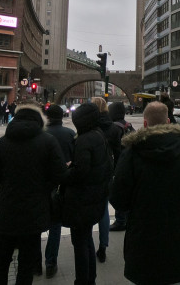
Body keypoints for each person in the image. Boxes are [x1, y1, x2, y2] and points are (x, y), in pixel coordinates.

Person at [111, 101, 180, 285]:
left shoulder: (131, 153)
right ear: (169, 121)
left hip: (142, 240)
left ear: (145, 123)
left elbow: (118, 199)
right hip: (179, 238)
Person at [0, 106, 67, 285]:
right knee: (26, 263)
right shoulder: (48, 141)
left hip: (7, 208)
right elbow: (60, 174)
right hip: (34, 210)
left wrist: (7, 181)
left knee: (1, 260)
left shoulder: (3, 142)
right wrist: (44, 186)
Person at [61, 103, 113, 285]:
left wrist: (65, 172)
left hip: (82, 200)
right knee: (87, 239)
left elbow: (80, 172)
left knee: (80, 244)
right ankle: (91, 278)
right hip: (94, 197)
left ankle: (83, 280)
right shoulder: (99, 135)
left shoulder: (84, 140)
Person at [42, 102, 76, 278]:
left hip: (41, 185)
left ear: (47, 117)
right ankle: (50, 261)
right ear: (62, 117)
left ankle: (33, 262)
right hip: (61, 186)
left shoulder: (41, 134)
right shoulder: (70, 134)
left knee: (36, 224)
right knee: (55, 225)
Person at [90, 96, 113, 263]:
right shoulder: (113, 127)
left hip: (91, 175)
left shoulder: (89, 127)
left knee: (88, 210)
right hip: (108, 174)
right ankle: (103, 246)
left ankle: (87, 245)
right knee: (104, 210)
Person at [105, 101, 128, 232]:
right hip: (127, 162)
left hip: (117, 165)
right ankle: (124, 218)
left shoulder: (115, 127)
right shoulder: (128, 126)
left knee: (116, 193)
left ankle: (120, 220)